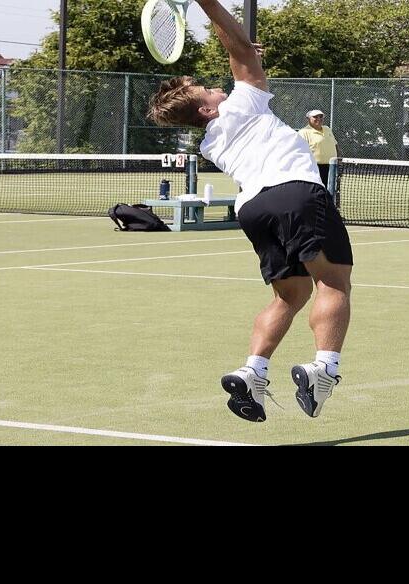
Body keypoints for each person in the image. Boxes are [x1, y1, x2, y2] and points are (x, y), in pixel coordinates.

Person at [146, 0, 352, 423]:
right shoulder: (242, 105)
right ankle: (324, 369)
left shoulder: (211, 140)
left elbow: (239, 49)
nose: (217, 87)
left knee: (289, 295)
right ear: (207, 109)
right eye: (209, 90)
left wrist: (241, 49)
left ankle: (253, 370)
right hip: (295, 192)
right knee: (333, 284)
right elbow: (238, 46)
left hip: (255, 208)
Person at [298, 109, 338, 187]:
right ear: (308, 119)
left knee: (331, 190)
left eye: (321, 116)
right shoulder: (303, 132)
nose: (319, 119)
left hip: (332, 167)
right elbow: (299, 151)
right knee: (317, 190)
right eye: (315, 117)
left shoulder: (327, 129)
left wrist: (338, 160)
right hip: (314, 168)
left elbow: (335, 145)